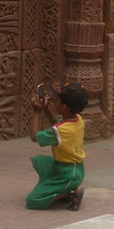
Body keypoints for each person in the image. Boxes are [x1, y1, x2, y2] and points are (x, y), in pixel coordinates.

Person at [26, 82, 88, 210]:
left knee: (33, 200)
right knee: (40, 161)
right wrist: (47, 108)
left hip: (68, 174)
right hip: (74, 168)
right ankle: (61, 188)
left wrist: (37, 112)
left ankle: (69, 193)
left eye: (57, 99)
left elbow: (34, 137)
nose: (54, 100)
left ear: (64, 107)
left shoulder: (62, 130)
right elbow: (57, 124)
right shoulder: (77, 119)